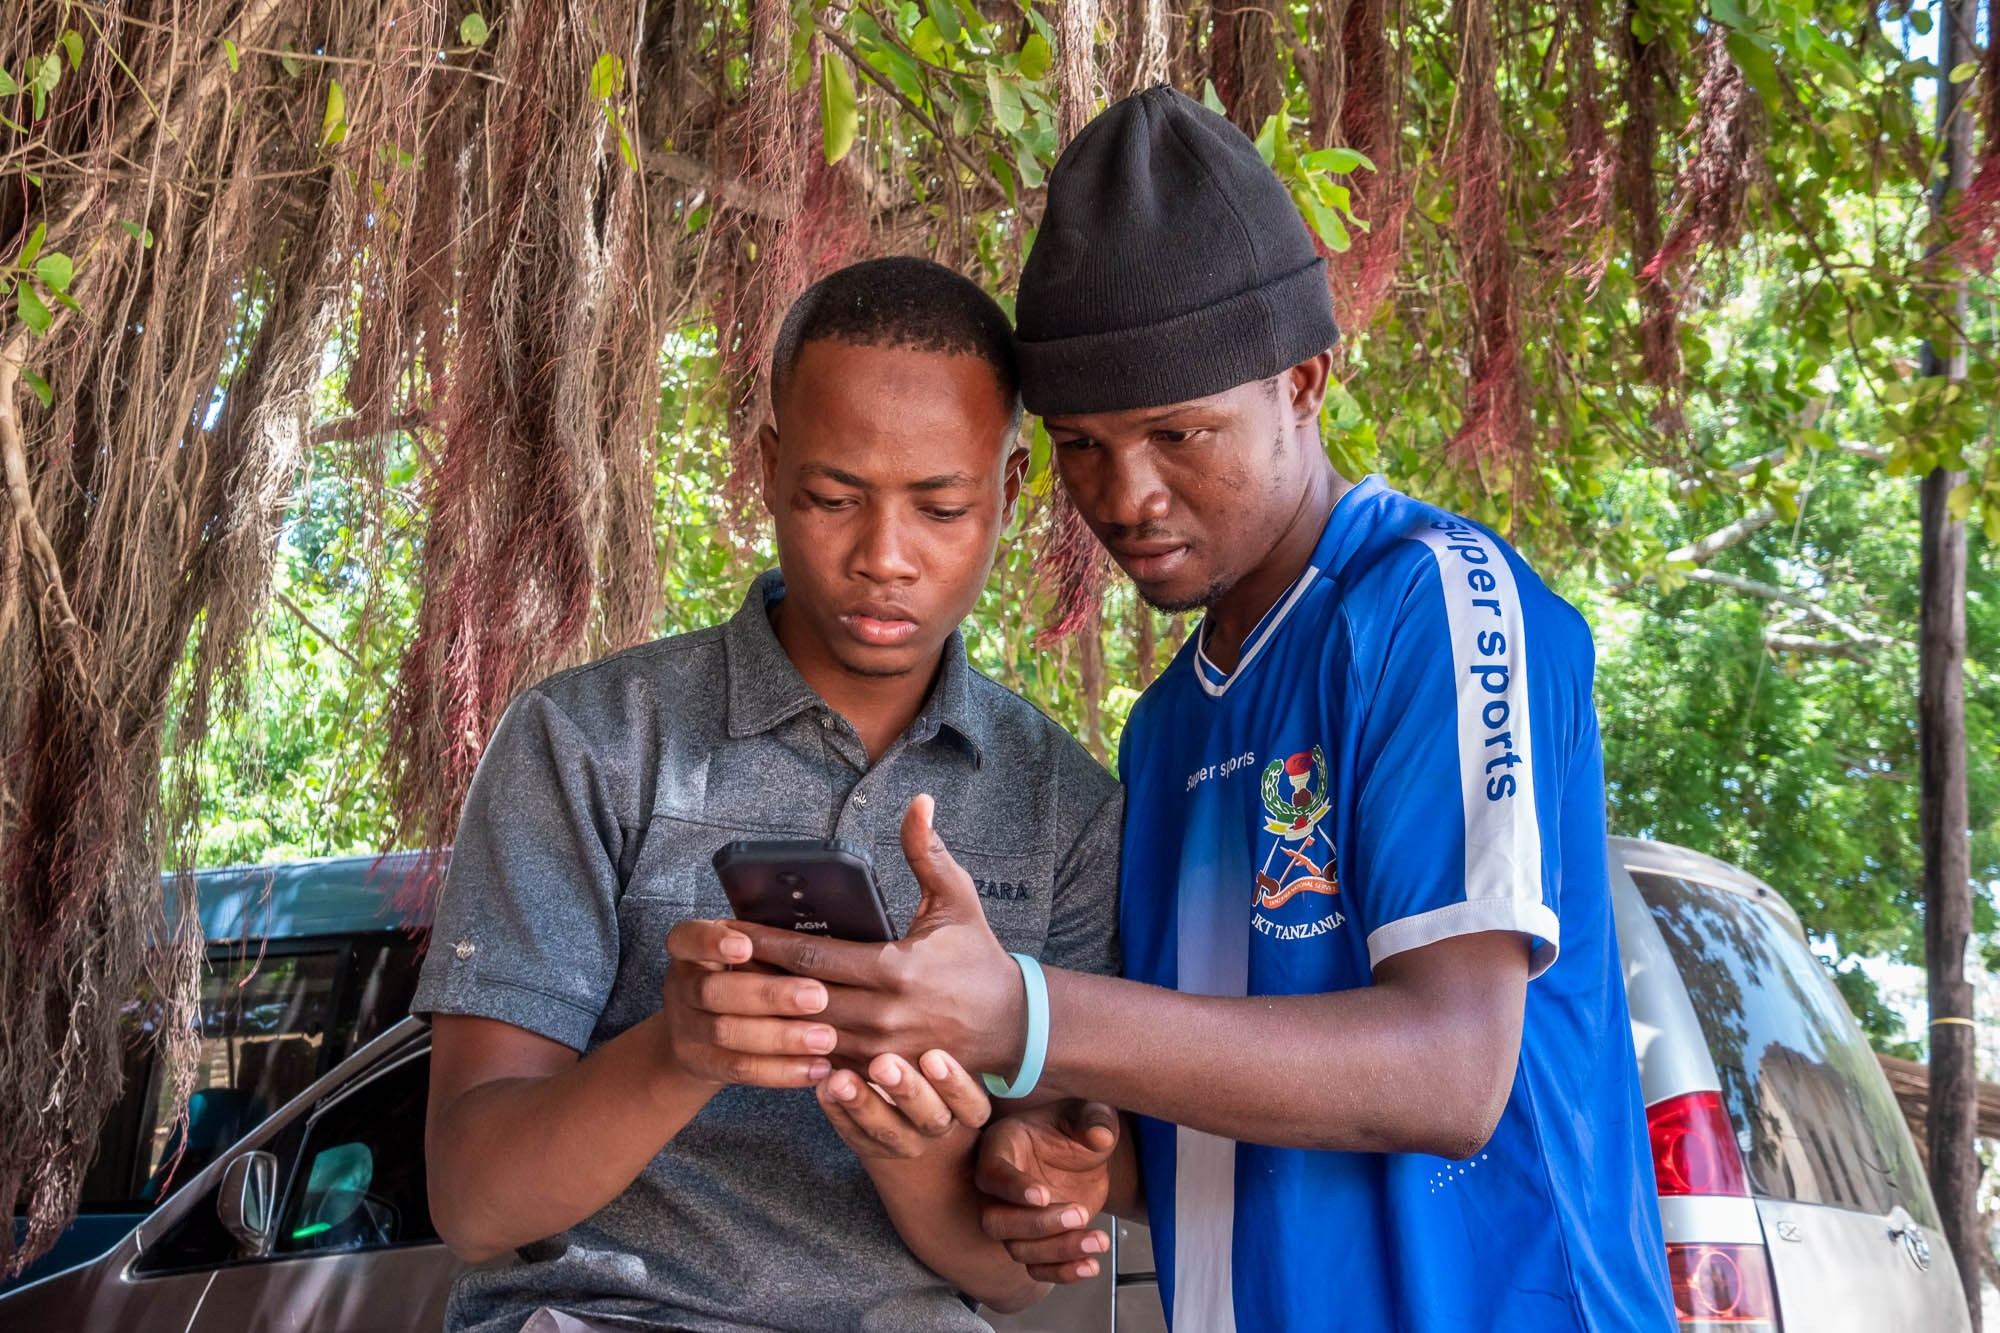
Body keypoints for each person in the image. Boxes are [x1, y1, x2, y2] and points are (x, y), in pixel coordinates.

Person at [732, 89, 1677, 1332]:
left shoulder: (1431, 604)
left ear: (1303, 381)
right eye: (1079, 444)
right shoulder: (1167, 725)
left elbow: (1448, 1072)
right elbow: (1223, 1123)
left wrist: (1024, 1010)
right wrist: (1074, 1161)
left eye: (1179, 432)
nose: (1123, 495)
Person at [411, 256, 1124, 1333]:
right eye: (835, 497)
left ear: (1009, 490)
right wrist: (679, 1047)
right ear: (767, 464)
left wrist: (921, 1143)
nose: (884, 558)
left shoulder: (1062, 806)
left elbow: (1007, 1276)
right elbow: (471, 1201)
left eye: (939, 507)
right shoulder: (592, 744)